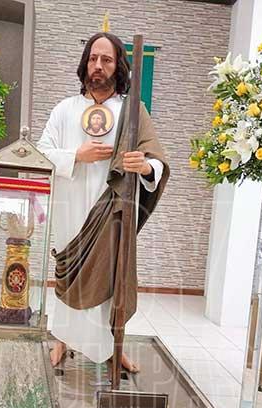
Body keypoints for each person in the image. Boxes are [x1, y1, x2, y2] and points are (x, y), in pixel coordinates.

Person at [38, 32, 166, 372]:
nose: (98, 65)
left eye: (106, 59)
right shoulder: (65, 109)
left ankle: (112, 347)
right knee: (69, 274)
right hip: (70, 208)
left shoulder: (131, 111)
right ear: (85, 63)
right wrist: (75, 155)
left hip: (111, 212)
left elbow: (156, 161)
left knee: (110, 279)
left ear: (118, 66)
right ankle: (62, 339)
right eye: (93, 58)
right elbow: (42, 153)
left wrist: (145, 166)